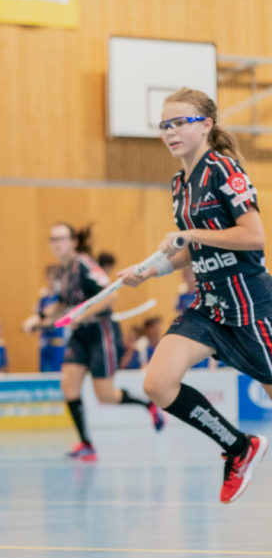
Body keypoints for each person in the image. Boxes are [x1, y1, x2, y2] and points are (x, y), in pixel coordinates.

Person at [119, 88, 270, 503]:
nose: (170, 131)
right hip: (209, 305)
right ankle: (239, 448)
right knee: (158, 383)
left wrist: (191, 233)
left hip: (251, 305)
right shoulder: (179, 183)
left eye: (180, 122)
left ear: (206, 124)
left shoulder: (223, 169)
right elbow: (194, 249)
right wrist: (151, 271)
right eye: (165, 125)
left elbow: (254, 236)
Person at [43, 222, 163, 461]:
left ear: (73, 241)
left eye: (62, 238)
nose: (57, 244)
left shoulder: (84, 264)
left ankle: (148, 405)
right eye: (53, 239)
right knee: (68, 387)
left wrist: (81, 315)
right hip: (80, 336)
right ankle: (86, 444)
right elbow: (62, 303)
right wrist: (40, 318)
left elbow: (111, 296)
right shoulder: (62, 271)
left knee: (106, 395)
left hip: (102, 333)